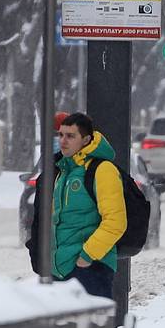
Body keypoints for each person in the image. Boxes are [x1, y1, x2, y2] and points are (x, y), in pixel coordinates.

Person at [50, 111, 126, 299]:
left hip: (91, 268)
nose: (63, 141)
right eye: (61, 135)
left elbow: (115, 221)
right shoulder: (64, 171)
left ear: (85, 140)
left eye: (70, 136)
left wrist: (86, 256)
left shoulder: (102, 170)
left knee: (95, 327)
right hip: (62, 268)